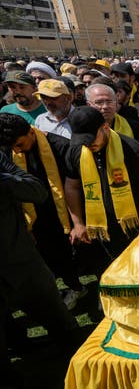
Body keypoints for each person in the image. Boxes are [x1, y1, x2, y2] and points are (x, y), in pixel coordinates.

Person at [0, 150, 79, 385]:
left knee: (61, 322)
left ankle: (83, 366)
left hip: (23, 261)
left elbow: (37, 190)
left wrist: (3, 181)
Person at [0, 114, 86, 309]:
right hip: (31, 215)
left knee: (66, 254)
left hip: (61, 211)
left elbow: (73, 184)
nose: (17, 150)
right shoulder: (7, 151)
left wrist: (76, 221)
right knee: (44, 256)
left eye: (20, 145)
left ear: (31, 131)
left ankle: (76, 287)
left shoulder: (59, 145)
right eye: (14, 147)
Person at [65, 106, 139, 280]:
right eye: (83, 141)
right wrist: (78, 223)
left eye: (92, 138)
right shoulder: (77, 151)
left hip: (133, 226)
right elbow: (72, 186)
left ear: (105, 127)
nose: (88, 144)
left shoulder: (133, 150)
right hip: (97, 228)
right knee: (106, 271)